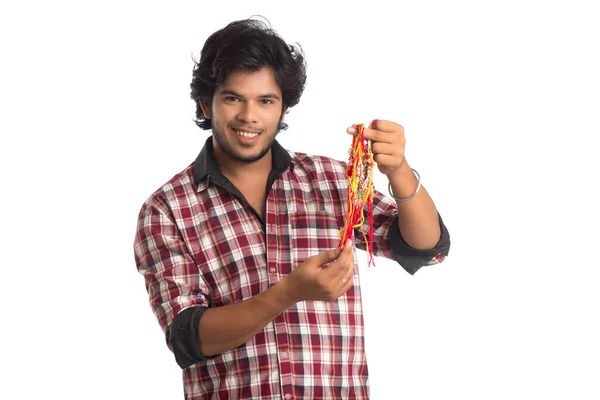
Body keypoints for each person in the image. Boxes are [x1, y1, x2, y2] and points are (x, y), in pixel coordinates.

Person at [134, 17, 450, 399]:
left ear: (283, 109)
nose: (249, 117)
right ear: (207, 103)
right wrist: (285, 294)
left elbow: (426, 247)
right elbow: (187, 336)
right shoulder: (167, 209)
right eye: (233, 98)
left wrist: (398, 171)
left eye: (266, 101)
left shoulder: (329, 180)